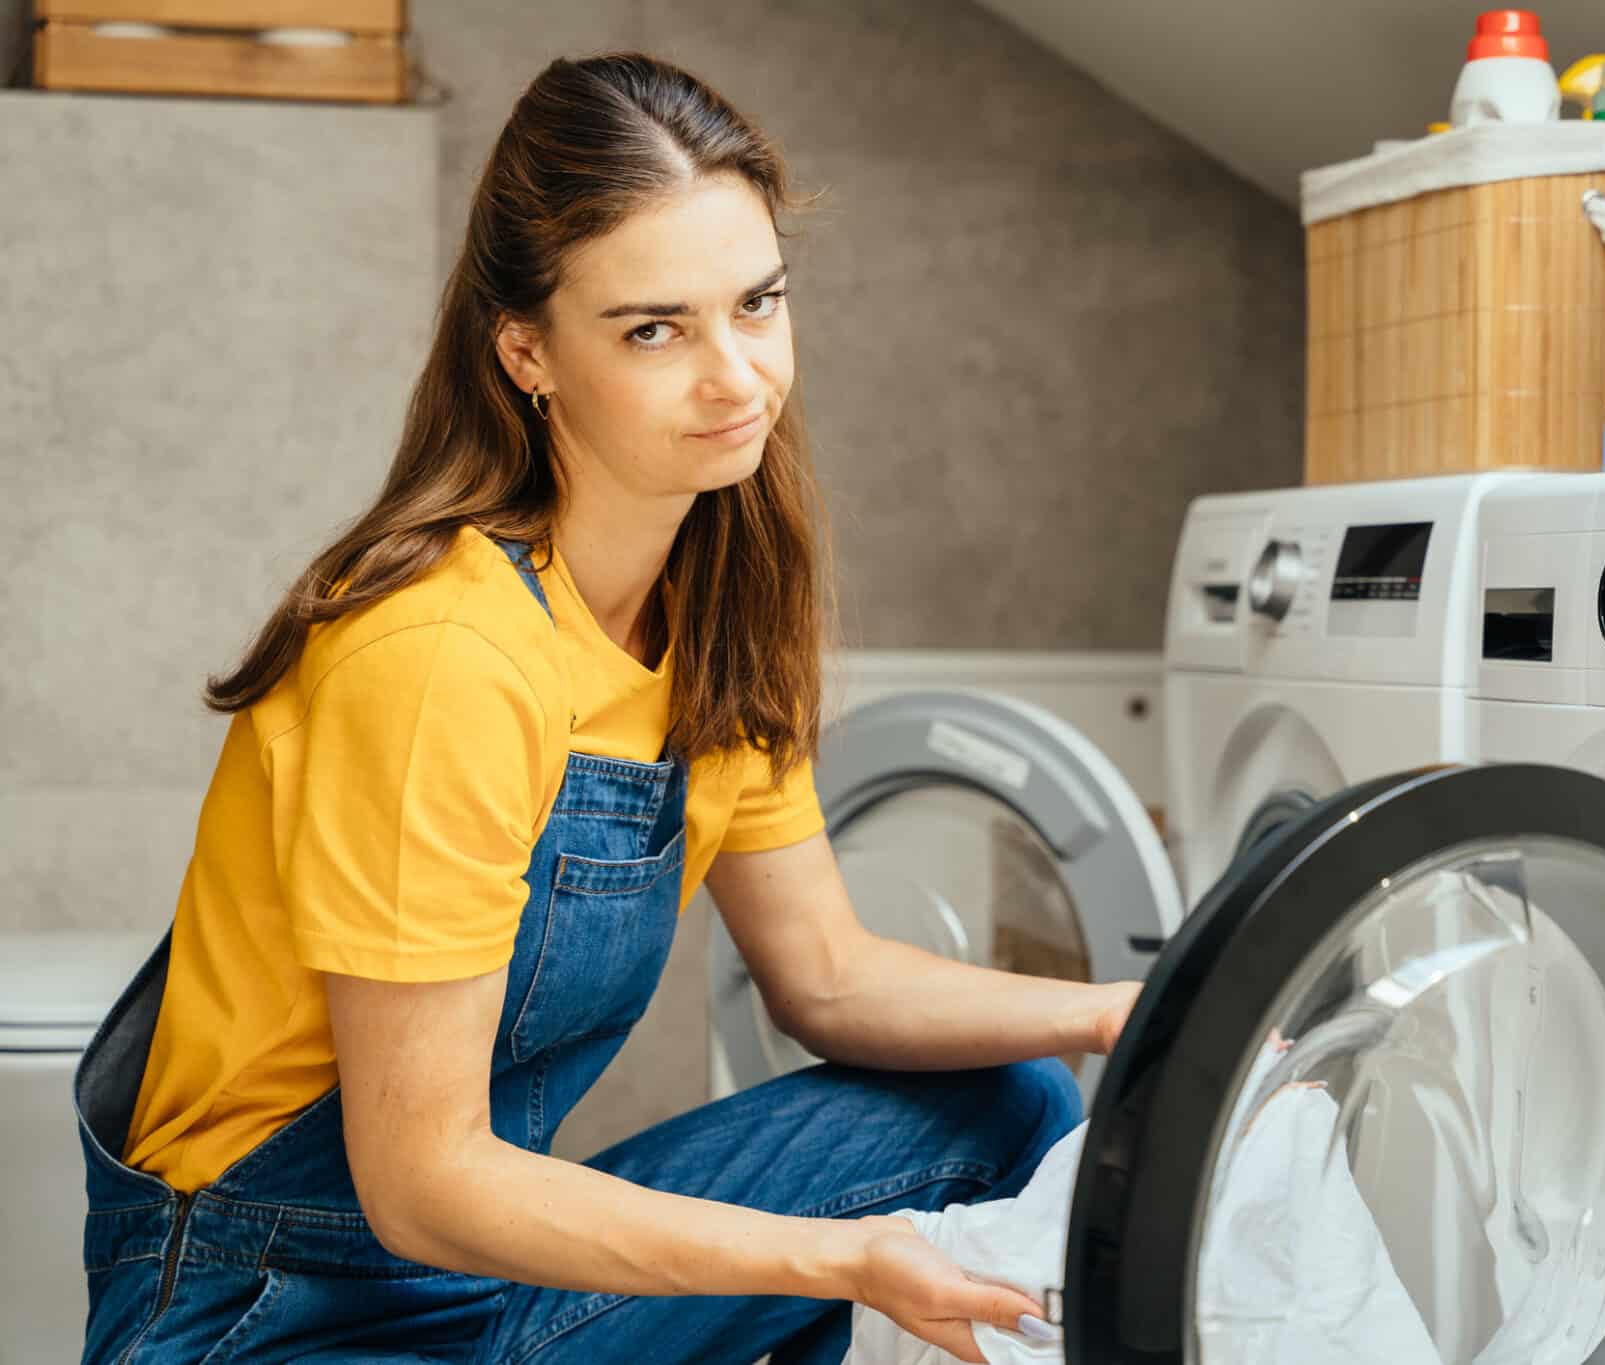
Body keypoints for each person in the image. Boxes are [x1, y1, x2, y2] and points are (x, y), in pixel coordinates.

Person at [73, 52, 1141, 1365]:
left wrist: (1117, 1013)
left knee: (1000, 1104)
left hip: (470, 1298)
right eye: (656, 329)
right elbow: (422, 1179)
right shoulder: (440, 654)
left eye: (758, 303)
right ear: (526, 348)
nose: (737, 376)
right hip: (269, 1315)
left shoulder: (714, 615)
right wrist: (838, 1257)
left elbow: (829, 974)